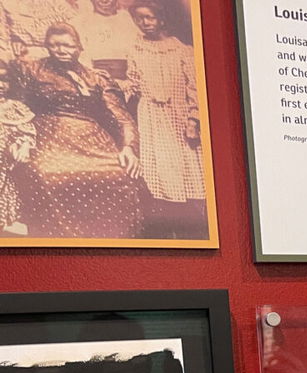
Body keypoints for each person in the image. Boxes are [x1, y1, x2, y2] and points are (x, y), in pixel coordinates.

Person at [13, 22, 141, 238]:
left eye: (68, 46)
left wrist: (129, 147)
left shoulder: (96, 77)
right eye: (54, 45)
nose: (61, 50)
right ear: (47, 46)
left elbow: (121, 116)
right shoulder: (33, 70)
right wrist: (22, 137)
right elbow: (18, 105)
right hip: (49, 134)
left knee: (117, 174)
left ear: (80, 48)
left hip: (91, 137)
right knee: (46, 173)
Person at [125, 0, 203, 213]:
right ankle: (165, 216)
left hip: (178, 113)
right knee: (160, 169)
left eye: (149, 17)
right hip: (151, 116)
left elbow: (194, 88)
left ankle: (191, 217)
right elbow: (133, 81)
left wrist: (193, 120)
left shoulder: (181, 50)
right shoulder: (136, 48)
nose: (144, 23)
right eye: (139, 18)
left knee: (187, 165)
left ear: (161, 19)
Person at [0, 60, 34, 236]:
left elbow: (25, 132)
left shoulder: (14, 108)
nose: (0, 85)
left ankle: (6, 220)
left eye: (4, 79)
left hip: (4, 163)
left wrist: (23, 146)